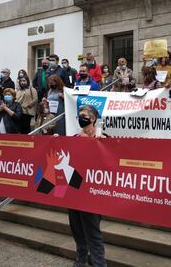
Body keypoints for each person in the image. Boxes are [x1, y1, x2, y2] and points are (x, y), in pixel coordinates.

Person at [69, 105, 107, 267]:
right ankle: (81, 258)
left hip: (93, 194)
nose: (80, 118)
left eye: (84, 115)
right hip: (74, 192)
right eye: (79, 115)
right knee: (77, 229)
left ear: (92, 119)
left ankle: (99, 263)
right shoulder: (74, 138)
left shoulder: (103, 138)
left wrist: (100, 143)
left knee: (93, 233)